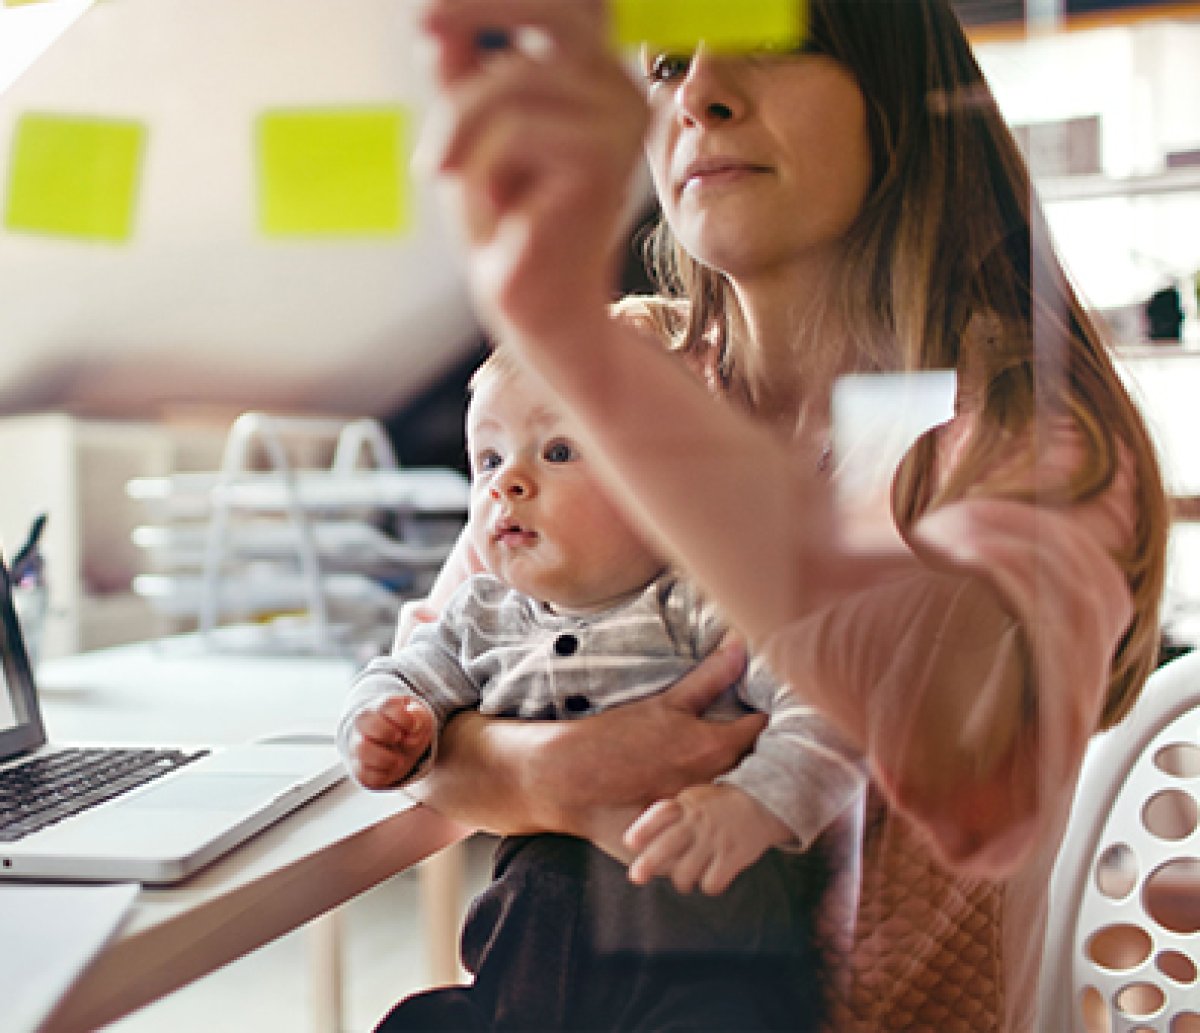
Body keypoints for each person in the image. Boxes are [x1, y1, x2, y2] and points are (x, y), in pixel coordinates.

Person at [392, 0, 1170, 1029]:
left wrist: (567, 333)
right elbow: (429, 719)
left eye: (776, 39)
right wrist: (558, 772)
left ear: (899, 99)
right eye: (668, 61)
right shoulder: (629, 375)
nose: (698, 95)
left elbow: (943, 749)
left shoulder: (1015, 430)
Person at [340, 348, 862, 1030]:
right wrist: (378, 721)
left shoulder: (706, 610)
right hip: (526, 978)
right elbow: (396, 676)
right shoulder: (481, 618)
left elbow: (831, 712)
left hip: (701, 967)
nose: (508, 484)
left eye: (558, 450)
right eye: (489, 460)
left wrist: (752, 804)